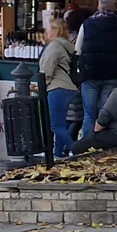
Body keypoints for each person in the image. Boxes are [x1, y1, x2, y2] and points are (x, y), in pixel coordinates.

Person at [74, 0, 117, 139]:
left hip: (90, 74)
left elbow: (77, 50)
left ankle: (86, 147)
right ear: (113, 7)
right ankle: (102, 145)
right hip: (112, 75)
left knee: (89, 115)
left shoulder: (87, 24)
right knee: (105, 114)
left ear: (98, 5)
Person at [38, 21, 78, 157]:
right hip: (67, 88)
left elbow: (46, 71)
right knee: (60, 124)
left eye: (48, 29)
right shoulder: (65, 45)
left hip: (57, 88)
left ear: (55, 30)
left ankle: (77, 149)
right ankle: (58, 153)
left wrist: (40, 87)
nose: (46, 32)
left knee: (55, 125)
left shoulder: (54, 46)